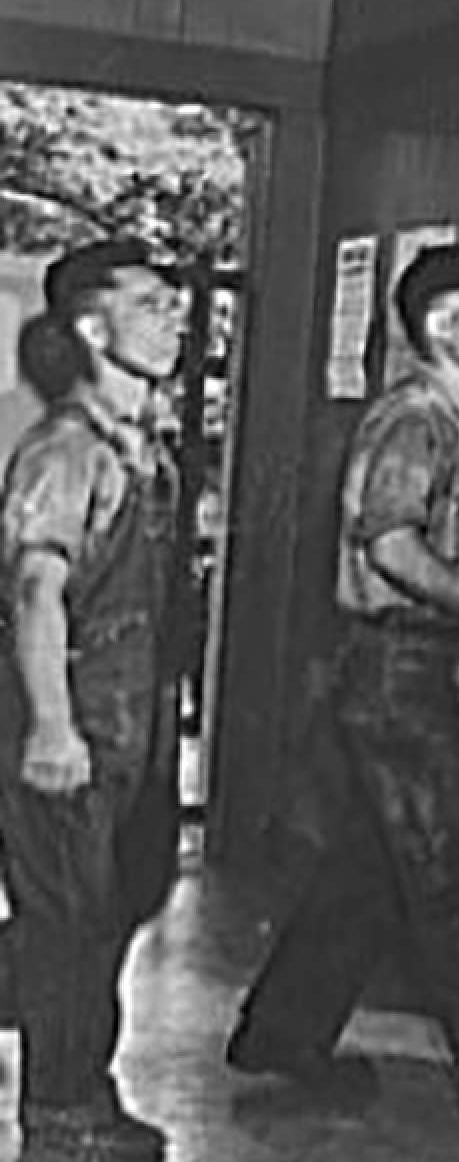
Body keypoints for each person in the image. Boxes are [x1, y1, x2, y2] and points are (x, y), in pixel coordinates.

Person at [226, 244, 459, 1134]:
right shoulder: (417, 419)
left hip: (422, 662)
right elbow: (390, 546)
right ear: (443, 324)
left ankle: (283, 1033)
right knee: (446, 868)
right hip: (397, 669)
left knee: (369, 868)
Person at [0, 241, 186, 1161]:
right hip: (71, 732)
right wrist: (50, 725)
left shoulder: (141, 450)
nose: (174, 317)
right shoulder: (66, 452)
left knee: (106, 909)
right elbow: (37, 592)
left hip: (126, 734)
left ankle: (81, 1085)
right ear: (89, 326)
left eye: (173, 302)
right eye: (150, 303)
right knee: (70, 925)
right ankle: (63, 1119)